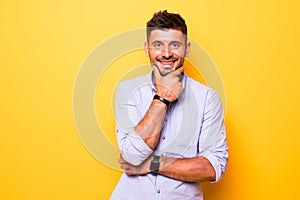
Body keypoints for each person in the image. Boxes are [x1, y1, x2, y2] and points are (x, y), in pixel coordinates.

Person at [111, 10, 228, 200]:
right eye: (158, 45)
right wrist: (162, 97)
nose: (166, 54)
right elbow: (133, 156)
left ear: (187, 49)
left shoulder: (207, 98)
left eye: (175, 45)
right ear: (147, 48)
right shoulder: (127, 92)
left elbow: (213, 168)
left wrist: (153, 164)